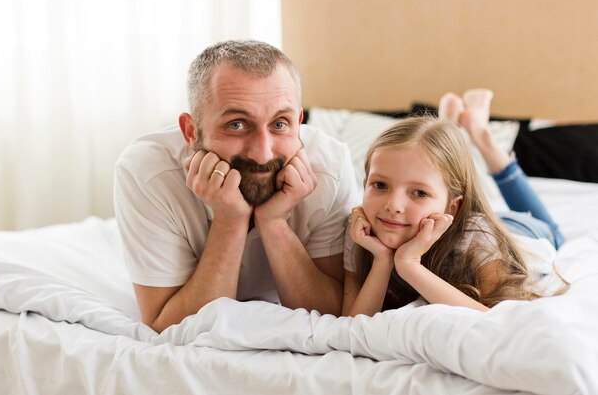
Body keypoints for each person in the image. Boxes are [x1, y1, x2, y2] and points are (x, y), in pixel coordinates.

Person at [114, 40, 359, 332]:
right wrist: (230, 221)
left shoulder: (328, 168)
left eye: (280, 123)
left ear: (299, 121)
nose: (263, 153)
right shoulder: (147, 173)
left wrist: (274, 222)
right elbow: (166, 327)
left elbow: (332, 316)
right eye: (237, 125)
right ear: (191, 132)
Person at [341, 91, 566, 316]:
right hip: (459, 216)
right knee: (439, 161)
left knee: (556, 233)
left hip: (517, 229)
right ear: (365, 183)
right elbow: (353, 324)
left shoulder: (479, 240)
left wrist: (408, 264)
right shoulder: (360, 231)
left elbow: (496, 320)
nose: (393, 206)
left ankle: (480, 134)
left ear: (452, 207)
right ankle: (448, 127)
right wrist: (382, 260)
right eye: (380, 185)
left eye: (419, 193)